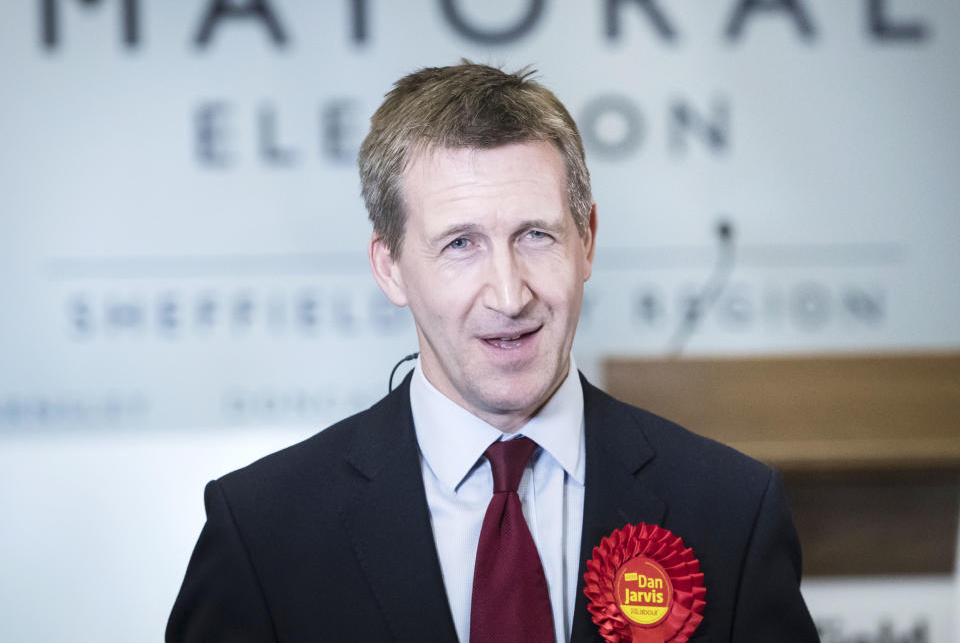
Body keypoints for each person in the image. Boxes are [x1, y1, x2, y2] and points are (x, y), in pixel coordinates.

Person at [166, 62, 819, 642]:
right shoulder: (264, 531)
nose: (509, 296)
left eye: (536, 235)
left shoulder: (732, 508)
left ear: (586, 240)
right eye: (460, 245)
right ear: (390, 267)